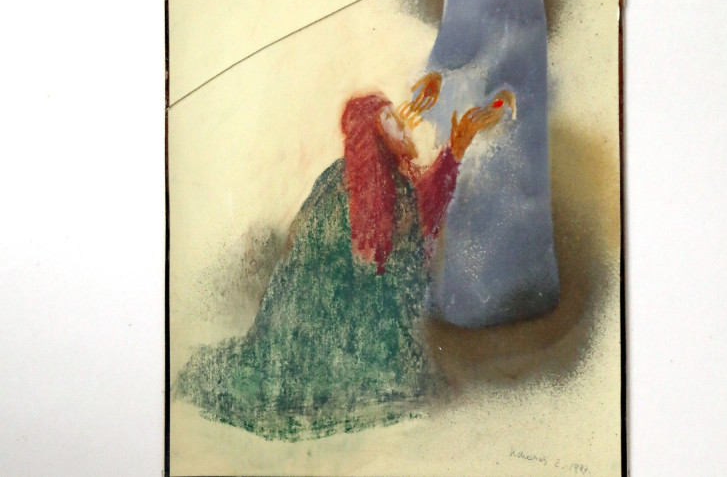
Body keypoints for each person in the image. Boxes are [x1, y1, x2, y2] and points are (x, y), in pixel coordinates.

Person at [175, 91, 507, 441]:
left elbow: (412, 225)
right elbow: (348, 267)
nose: (404, 126)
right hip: (323, 329)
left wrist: (454, 152)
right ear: (374, 135)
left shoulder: (386, 184)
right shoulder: (348, 186)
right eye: (391, 121)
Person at [381, 0, 560, 328]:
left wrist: (496, 90)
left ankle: (521, 292)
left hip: (512, 86)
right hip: (477, 84)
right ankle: (469, 298)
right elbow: (458, 27)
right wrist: (436, 75)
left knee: (501, 179)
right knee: (464, 180)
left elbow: (522, 26)